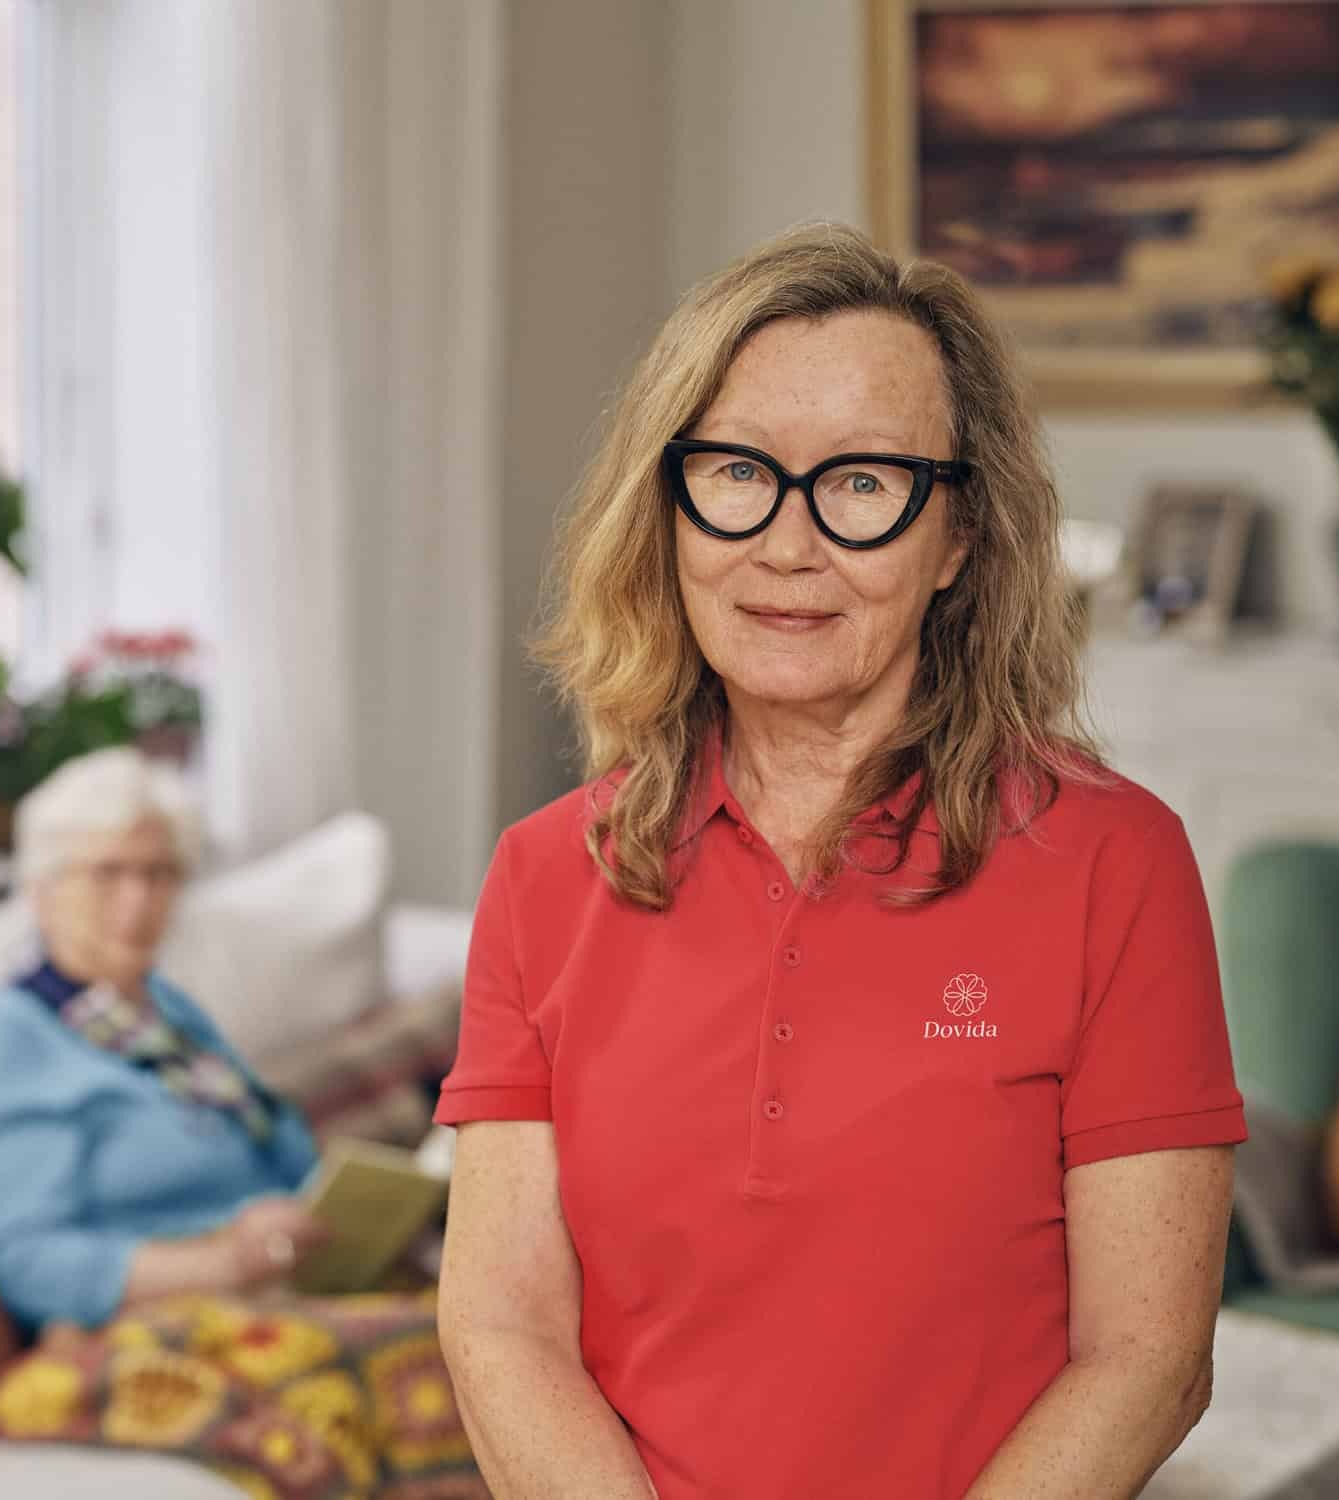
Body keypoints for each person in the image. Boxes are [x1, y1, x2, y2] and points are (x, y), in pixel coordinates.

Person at [433, 223, 1248, 1498]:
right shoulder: (544, 874)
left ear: (959, 538)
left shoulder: (1113, 862)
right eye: (737, 472)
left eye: (863, 483)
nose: (787, 545)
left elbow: (1147, 1359)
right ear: (669, 505)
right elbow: (501, 1327)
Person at [0, 746, 332, 1332]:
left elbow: (273, 1137)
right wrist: (228, 1261)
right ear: (41, 892)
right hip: (150, 1330)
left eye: (159, 873)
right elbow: (30, 1264)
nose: (138, 901)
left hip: (289, 1288)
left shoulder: (163, 1006)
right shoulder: (0, 1042)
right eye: (107, 873)